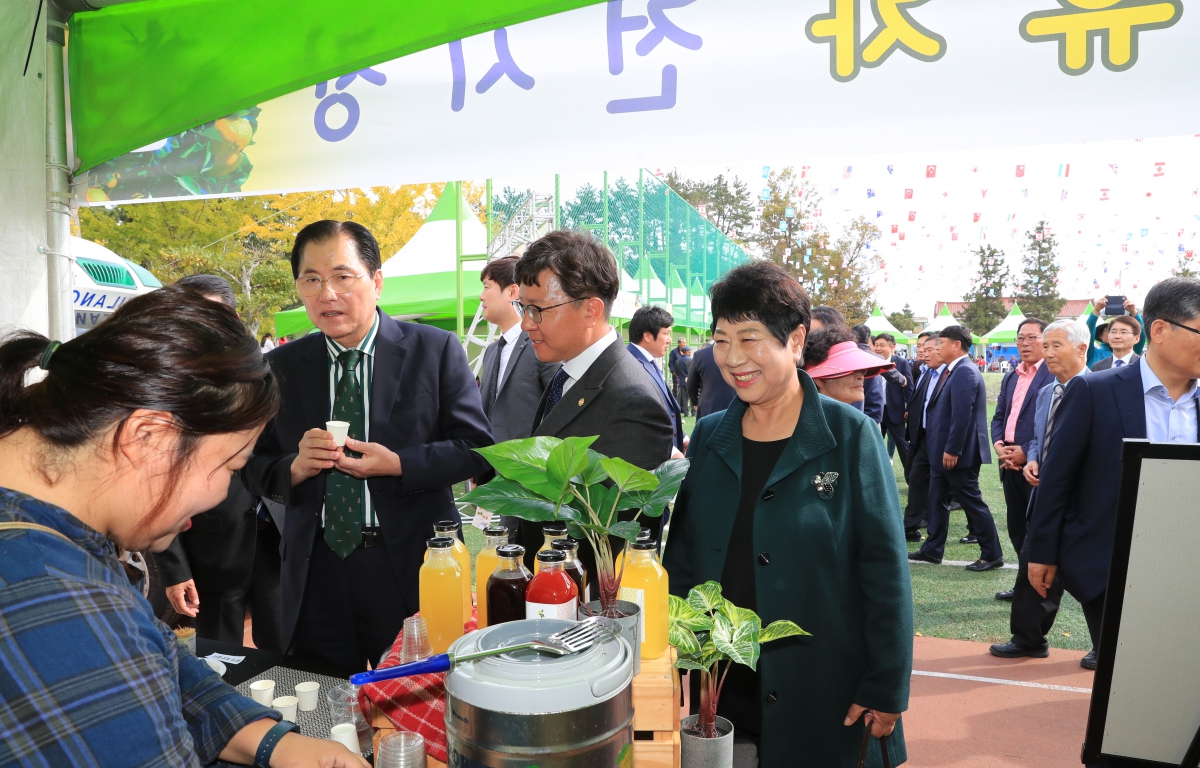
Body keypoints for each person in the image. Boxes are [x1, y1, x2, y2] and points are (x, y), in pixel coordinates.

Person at [0, 287, 366, 767]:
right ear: (146, 437)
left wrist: (271, 741)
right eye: (232, 467)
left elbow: (156, 655)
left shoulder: (59, 536)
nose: (221, 495)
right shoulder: (52, 599)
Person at [664, 261, 911, 767]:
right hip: (723, 689)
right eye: (721, 340)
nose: (733, 359)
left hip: (826, 691)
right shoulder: (710, 436)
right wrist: (671, 662)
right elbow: (684, 554)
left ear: (795, 341)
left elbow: (885, 569)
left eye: (750, 338)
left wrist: (887, 683)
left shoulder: (850, 437)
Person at [246, 220, 493, 671]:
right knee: (322, 700)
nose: (327, 294)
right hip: (315, 569)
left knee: (421, 696)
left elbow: (476, 447)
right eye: (312, 279)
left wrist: (400, 464)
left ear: (376, 282)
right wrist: (294, 468)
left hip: (414, 565)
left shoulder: (434, 350)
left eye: (343, 276)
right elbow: (250, 463)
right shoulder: (280, 367)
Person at [1027, 278, 1200, 671]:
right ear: (1159, 330)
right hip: (1112, 566)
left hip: (1189, 567)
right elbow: (1058, 479)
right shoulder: (1094, 391)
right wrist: (1043, 552)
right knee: (1126, 675)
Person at [515, 229, 674, 575]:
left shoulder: (631, 400)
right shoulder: (568, 372)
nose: (526, 323)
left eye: (538, 310)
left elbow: (616, 544)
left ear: (591, 310)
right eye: (522, 307)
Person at [154, 274, 283, 651]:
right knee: (219, 660)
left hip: (277, 539)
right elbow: (158, 484)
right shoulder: (165, 389)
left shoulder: (265, 375)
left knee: (288, 655)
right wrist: (175, 569)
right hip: (210, 549)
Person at [989, 319, 1087, 659]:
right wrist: (1033, 459)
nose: (1047, 353)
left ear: (1081, 349)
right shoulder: (1048, 392)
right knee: (1035, 556)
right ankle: (1029, 637)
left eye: (1054, 346)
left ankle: (1108, 646)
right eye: (1046, 346)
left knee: (1091, 569)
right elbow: (1037, 438)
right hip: (1044, 494)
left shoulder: (1099, 389)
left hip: (1084, 498)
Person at [476, 255, 559, 535]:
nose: (481, 296)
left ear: (513, 292)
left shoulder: (542, 344)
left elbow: (557, 410)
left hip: (535, 486)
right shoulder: (491, 352)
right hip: (499, 486)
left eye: (487, 286)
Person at [910, 325, 1005, 571]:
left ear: (956, 345)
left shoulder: (964, 371)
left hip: (957, 454)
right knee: (937, 499)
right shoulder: (953, 371)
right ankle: (932, 550)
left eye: (940, 342)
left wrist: (953, 449)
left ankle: (992, 553)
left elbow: (962, 416)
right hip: (941, 451)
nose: (936, 347)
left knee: (971, 502)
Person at [988, 317, 1052, 601]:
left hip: (1035, 463)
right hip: (1008, 461)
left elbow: (1052, 421)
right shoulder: (1012, 375)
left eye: (1032, 338)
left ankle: (1038, 588)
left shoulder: (1052, 375)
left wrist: (1027, 450)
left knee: (1036, 529)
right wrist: (999, 445)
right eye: (1020, 339)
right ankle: (1024, 584)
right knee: (1016, 527)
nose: (1025, 344)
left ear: (1045, 340)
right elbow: (999, 415)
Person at [627, 305, 687, 457]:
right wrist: (672, 451)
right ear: (647, 336)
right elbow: (640, 418)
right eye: (666, 333)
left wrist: (682, 437)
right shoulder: (630, 365)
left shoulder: (647, 362)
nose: (669, 340)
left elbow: (663, 408)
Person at [902, 333, 940, 541]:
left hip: (938, 438)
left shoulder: (950, 374)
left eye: (927, 348)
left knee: (959, 488)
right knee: (916, 478)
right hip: (921, 435)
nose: (923, 352)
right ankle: (911, 525)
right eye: (920, 347)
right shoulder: (924, 371)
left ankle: (977, 530)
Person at [803, 326, 895, 406]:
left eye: (863, 370)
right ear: (819, 380)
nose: (861, 377)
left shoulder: (856, 423)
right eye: (850, 370)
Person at [873, 332, 915, 470]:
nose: (878, 348)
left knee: (903, 446)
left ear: (892, 347)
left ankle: (912, 479)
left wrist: (908, 407)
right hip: (875, 410)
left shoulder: (901, 363)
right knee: (873, 447)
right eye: (876, 345)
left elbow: (908, 386)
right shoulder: (871, 360)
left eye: (882, 345)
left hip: (895, 411)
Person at [1086, 294, 1146, 368]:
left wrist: (1133, 312)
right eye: (1112, 331)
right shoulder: (1093, 355)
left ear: (1136, 339)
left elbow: (1141, 333)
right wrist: (1096, 310)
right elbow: (1088, 333)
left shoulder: (1138, 360)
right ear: (1100, 335)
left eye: (1123, 332)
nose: (1117, 335)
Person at [688, 338, 738, 418]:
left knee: (708, 429)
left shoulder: (700, 355)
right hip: (734, 403)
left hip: (708, 405)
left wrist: (695, 402)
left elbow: (691, 384)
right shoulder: (739, 352)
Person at [674, 345, 694, 417]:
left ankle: (686, 413)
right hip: (691, 381)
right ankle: (693, 412)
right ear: (686, 352)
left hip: (682, 381)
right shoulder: (691, 360)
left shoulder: (678, 360)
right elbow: (694, 371)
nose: (690, 352)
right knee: (692, 396)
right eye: (689, 351)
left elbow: (677, 372)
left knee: (684, 398)